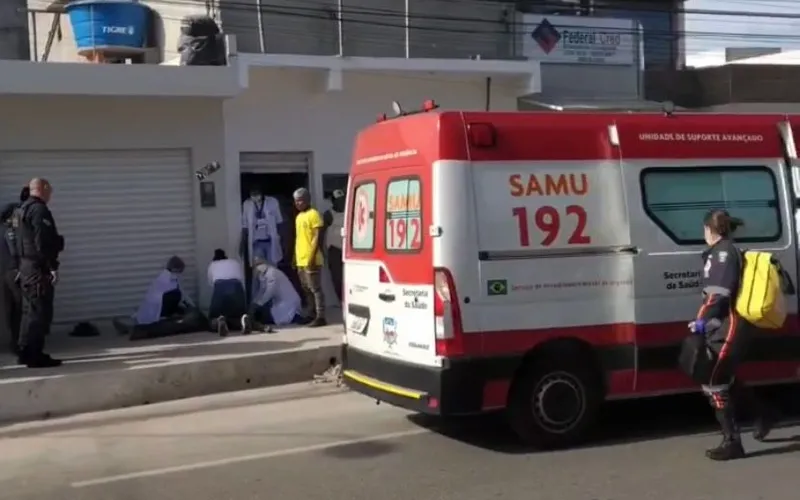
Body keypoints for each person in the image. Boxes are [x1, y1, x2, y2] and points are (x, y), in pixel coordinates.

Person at [691, 209, 779, 461]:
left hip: (730, 324)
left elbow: (718, 294)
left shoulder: (722, 254)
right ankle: (764, 413)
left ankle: (733, 442)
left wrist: (701, 322)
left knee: (714, 381)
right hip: (726, 323)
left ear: (709, 229)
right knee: (723, 378)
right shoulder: (724, 251)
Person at [13, 178, 62, 368]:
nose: (50, 195)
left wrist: (19, 266)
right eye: (49, 191)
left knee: (28, 312)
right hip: (37, 269)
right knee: (39, 313)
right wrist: (52, 267)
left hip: (25, 267)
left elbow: (16, 242)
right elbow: (43, 243)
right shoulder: (39, 210)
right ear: (43, 189)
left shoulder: (20, 210)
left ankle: (25, 352)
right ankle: (35, 356)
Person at [128, 256, 207, 340]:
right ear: (175, 269)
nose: (180, 274)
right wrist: (192, 307)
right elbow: (182, 296)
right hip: (157, 313)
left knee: (181, 304)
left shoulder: (162, 278)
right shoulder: (170, 280)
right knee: (177, 297)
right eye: (180, 271)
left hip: (150, 312)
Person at [293, 187, 326, 327]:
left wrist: (311, 257)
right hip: (301, 259)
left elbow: (317, 237)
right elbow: (298, 239)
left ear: (307, 200)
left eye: (300, 201)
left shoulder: (314, 214)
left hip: (311, 259)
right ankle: (311, 314)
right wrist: (294, 257)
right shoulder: (299, 217)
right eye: (296, 201)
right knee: (306, 289)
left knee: (315, 288)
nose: (298, 203)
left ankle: (320, 316)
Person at [249, 257, 305, 329]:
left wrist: (257, 304)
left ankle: (298, 318)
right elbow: (261, 291)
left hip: (288, 303)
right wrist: (254, 302)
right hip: (281, 303)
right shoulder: (264, 275)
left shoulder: (272, 273)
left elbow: (269, 293)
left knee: (266, 317)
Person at [207, 248, 249, 337]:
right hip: (236, 286)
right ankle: (243, 321)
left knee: (213, 317)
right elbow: (241, 278)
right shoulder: (235, 262)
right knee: (238, 314)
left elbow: (211, 283)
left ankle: (219, 321)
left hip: (220, 287)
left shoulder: (213, 264)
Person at [241, 187, 283, 267]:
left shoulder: (272, 202)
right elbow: (245, 226)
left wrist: (280, 238)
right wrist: (243, 243)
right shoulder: (247, 204)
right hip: (256, 243)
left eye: (256, 193)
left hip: (270, 242)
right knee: (259, 268)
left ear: (261, 193)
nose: (255, 196)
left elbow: (279, 221)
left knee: (272, 267)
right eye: (253, 194)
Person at [1, 203, 21, 354]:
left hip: (5, 273)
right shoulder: (11, 231)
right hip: (14, 272)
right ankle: (19, 342)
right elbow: (15, 251)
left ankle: (13, 342)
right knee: (21, 308)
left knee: (10, 309)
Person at [323, 189, 345, 304]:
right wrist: (322, 250)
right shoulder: (329, 214)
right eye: (338, 200)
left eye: (342, 199)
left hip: (348, 250)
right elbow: (321, 232)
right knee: (337, 278)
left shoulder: (350, 211)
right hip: (334, 249)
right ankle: (341, 300)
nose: (341, 202)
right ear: (333, 201)